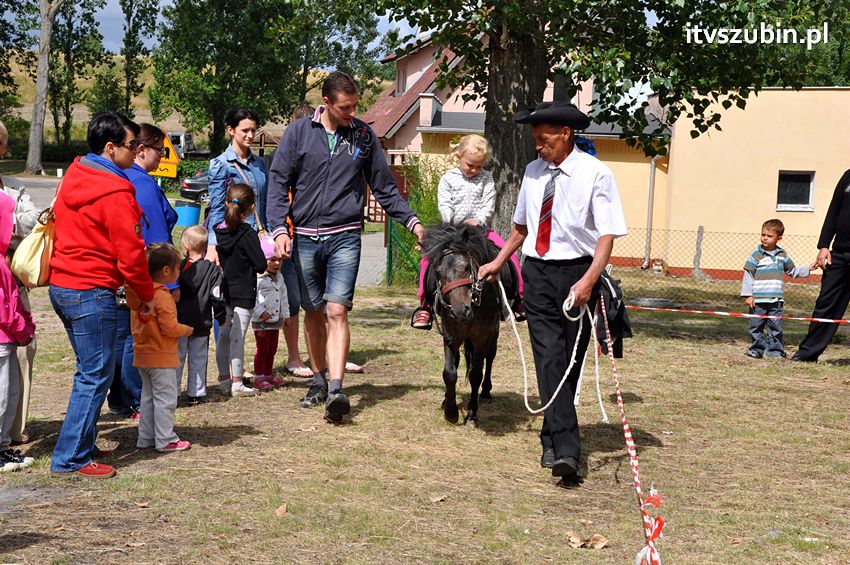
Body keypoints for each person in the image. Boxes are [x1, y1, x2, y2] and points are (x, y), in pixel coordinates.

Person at [478, 101, 627, 484]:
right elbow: (522, 227)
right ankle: (567, 452)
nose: (537, 147)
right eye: (534, 140)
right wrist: (499, 261)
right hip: (539, 273)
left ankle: (550, 435)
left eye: (543, 140)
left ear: (566, 134)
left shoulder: (596, 174)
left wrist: (590, 281)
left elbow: (607, 236)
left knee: (570, 363)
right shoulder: (532, 172)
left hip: (579, 272)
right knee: (549, 358)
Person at [267, 70, 425, 424]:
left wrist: (412, 222)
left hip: (345, 235)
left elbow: (384, 188)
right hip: (305, 235)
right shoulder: (298, 133)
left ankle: (337, 390)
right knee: (312, 311)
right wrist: (279, 228)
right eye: (345, 108)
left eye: (355, 106)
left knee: (336, 311)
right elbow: (278, 182)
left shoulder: (363, 137)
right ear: (326, 103)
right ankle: (319, 381)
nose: (352, 113)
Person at [49, 112, 155, 479]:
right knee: (95, 375)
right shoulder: (115, 191)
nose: (136, 151)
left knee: (90, 372)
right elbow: (131, 255)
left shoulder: (76, 174)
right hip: (91, 290)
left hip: (63, 285)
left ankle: (81, 444)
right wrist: (145, 296)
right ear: (110, 148)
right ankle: (72, 457)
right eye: (132, 146)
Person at [412, 134, 524, 329]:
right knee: (427, 260)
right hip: (451, 230)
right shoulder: (447, 179)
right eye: (470, 165)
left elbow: (488, 205)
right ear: (458, 157)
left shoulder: (487, 178)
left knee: (509, 255)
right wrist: (453, 222)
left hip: (479, 230)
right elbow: (445, 204)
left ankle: (518, 298)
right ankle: (426, 305)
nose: (474, 170)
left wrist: (478, 220)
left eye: (479, 166)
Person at [114, 124, 178, 419]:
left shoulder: (124, 178)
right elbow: (156, 239)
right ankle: (136, 399)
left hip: (124, 272)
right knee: (136, 337)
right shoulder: (143, 185)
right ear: (142, 150)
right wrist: (167, 282)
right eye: (160, 151)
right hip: (142, 275)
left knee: (123, 336)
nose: (163, 157)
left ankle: (121, 399)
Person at [126, 244, 194, 453]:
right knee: (166, 398)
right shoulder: (162, 296)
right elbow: (169, 328)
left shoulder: (139, 294)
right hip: (161, 355)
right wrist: (187, 330)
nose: (177, 272)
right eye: (176, 268)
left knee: (148, 398)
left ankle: (146, 437)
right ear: (166, 271)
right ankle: (166, 439)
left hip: (143, 353)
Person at [0, 120, 39, 446]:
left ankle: (14, 430)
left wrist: (8, 219)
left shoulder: (14, 189)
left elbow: (35, 222)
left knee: (23, 353)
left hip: (13, 286)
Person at [214, 184, 268, 397]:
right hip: (244, 291)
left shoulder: (218, 232)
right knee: (238, 336)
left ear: (227, 203)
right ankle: (238, 382)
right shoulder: (248, 234)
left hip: (224, 290)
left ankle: (224, 379)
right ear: (252, 208)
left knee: (224, 335)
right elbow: (261, 265)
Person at [793, 169, 850, 362]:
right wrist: (824, 245)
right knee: (825, 305)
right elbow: (834, 211)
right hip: (839, 255)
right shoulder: (848, 176)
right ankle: (807, 353)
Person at [741, 219, 814, 359]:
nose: (764, 238)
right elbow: (748, 275)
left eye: (769, 236)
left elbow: (792, 271)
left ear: (778, 238)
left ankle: (775, 352)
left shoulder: (782, 255)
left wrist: (808, 268)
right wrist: (748, 295)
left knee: (775, 327)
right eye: (763, 235)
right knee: (756, 326)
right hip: (758, 300)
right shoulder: (756, 255)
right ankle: (756, 350)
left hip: (776, 300)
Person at [0, 190, 35, 471]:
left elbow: (14, 299)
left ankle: (3, 448)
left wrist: (26, 326)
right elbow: (3, 308)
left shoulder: (3, 260)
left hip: (10, 339)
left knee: (10, 393)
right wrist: (22, 328)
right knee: (1, 395)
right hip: (3, 340)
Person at [205, 107, 267, 267]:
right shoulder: (220, 164)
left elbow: (264, 203)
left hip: (259, 238)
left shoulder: (260, 164)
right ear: (231, 130)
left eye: (253, 130)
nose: (251, 135)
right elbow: (217, 207)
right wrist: (213, 243)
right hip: (234, 239)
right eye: (245, 130)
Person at [176, 225, 225, 404]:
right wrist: (221, 316)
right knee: (199, 358)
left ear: (186, 247)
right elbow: (217, 295)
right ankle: (196, 393)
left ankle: (172, 392)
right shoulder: (212, 271)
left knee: (177, 359)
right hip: (201, 322)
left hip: (179, 322)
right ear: (205, 247)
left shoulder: (178, 268)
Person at [251, 236, 290, 391]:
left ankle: (268, 374)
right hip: (261, 321)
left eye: (279, 260)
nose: (276, 264)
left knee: (272, 348)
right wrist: (260, 312)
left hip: (275, 319)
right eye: (272, 260)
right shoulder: (258, 278)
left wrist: (286, 315)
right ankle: (259, 376)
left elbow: (284, 296)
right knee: (262, 348)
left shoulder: (279, 277)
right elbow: (252, 297)